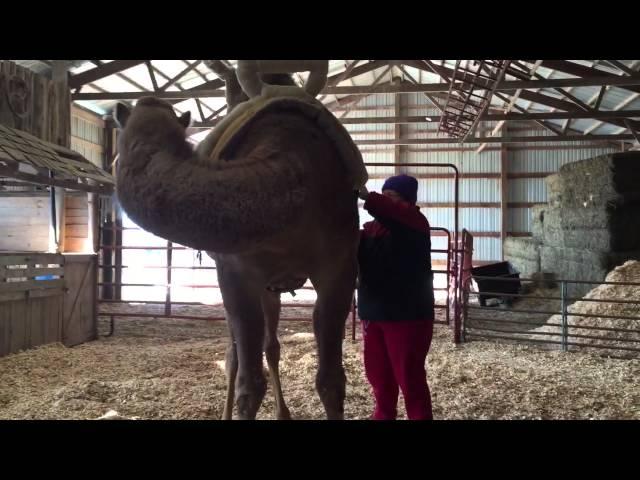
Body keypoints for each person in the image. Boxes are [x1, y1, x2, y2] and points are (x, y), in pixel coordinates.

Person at [357, 174, 435, 420]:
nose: (386, 199)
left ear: (408, 202)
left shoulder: (416, 223)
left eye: (393, 196)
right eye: (384, 194)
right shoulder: (368, 231)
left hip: (407, 315)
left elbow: (391, 211)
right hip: (374, 313)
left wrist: (367, 196)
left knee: (410, 380)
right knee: (379, 379)